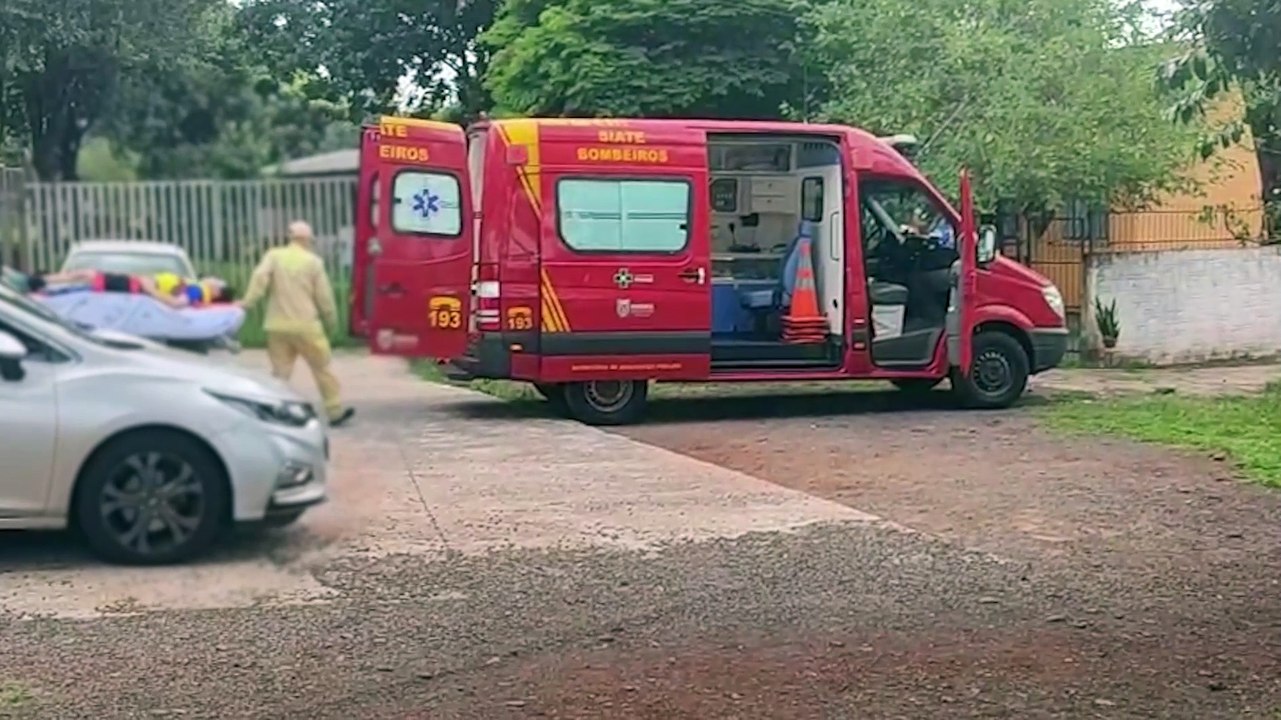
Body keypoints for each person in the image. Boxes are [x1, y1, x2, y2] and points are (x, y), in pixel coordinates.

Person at [238, 221, 354, 427]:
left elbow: (259, 278)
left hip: (277, 325)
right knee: (322, 368)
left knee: (280, 373)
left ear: (290, 238)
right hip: (307, 326)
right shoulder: (313, 262)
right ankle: (334, 412)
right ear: (308, 240)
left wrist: (248, 302)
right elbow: (324, 297)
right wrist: (330, 321)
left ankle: (276, 411)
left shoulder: (274, 256)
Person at [14, 268, 232, 308]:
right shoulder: (196, 288)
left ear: (216, 292)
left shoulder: (195, 292)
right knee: (85, 277)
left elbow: (176, 303)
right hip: (135, 283)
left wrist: (149, 289)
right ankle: (40, 283)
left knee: (87, 280)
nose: (213, 278)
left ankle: (38, 286)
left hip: (136, 286)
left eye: (217, 282)